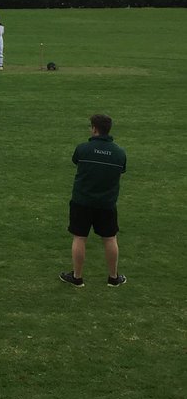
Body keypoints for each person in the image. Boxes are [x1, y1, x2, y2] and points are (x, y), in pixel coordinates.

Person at [60, 114, 127, 288]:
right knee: (110, 238)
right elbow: (120, 172)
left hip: (82, 201)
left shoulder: (83, 149)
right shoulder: (119, 153)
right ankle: (113, 277)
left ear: (95, 128)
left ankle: (77, 277)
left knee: (79, 237)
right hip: (106, 203)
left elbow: (77, 162)